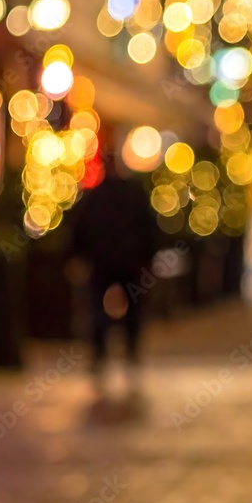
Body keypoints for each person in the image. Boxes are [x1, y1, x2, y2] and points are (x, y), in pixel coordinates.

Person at [71, 138, 158, 382]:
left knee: (99, 308)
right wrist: (148, 257)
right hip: (128, 261)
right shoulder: (133, 193)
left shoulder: (96, 196)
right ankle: (129, 351)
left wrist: (79, 256)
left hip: (105, 261)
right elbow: (149, 227)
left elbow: (80, 229)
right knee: (131, 307)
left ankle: (102, 354)